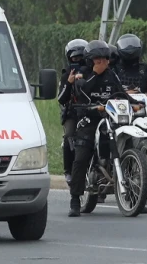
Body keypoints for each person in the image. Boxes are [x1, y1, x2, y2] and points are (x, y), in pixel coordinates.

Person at [68, 40, 138, 217]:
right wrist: (94, 75)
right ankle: (75, 199)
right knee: (82, 156)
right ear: (90, 61)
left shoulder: (111, 75)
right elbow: (80, 93)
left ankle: (136, 196)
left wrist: (134, 104)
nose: (102, 63)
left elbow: (120, 92)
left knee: (128, 146)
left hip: (110, 118)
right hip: (89, 119)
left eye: (105, 59)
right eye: (98, 60)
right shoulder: (82, 75)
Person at [113, 33, 147, 157]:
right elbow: (111, 87)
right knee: (107, 131)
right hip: (119, 111)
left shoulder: (146, 69)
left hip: (140, 110)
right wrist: (123, 93)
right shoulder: (115, 69)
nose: (130, 51)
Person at [57, 38, 88, 186]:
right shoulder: (66, 75)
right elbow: (61, 99)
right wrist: (69, 82)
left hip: (91, 111)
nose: (79, 61)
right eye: (76, 58)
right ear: (69, 58)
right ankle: (68, 170)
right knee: (69, 135)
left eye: (82, 57)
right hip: (73, 112)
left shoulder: (92, 72)